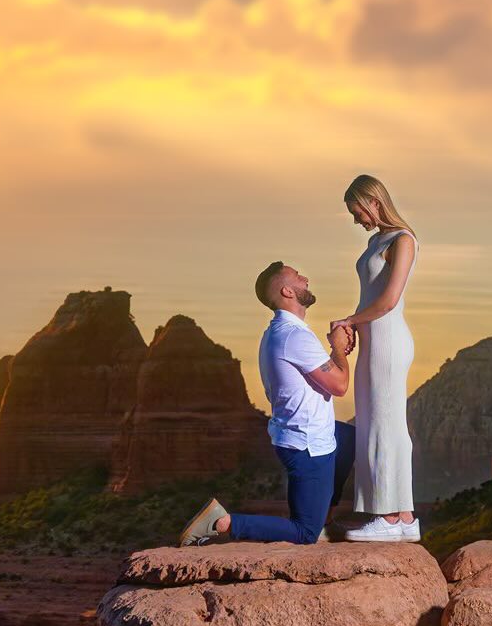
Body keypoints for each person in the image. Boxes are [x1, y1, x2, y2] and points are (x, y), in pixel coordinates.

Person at [179, 261, 355, 545]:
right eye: (299, 277)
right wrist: (337, 348)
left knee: (350, 438)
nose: (306, 278)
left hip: (305, 435)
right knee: (304, 533)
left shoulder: (282, 332)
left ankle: (324, 517)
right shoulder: (294, 336)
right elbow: (340, 385)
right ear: (287, 290)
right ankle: (222, 522)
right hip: (308, 445)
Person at [330, 174, 419, 542]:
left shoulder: (403, 240)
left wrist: (351, 320)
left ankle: (392, 515)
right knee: (371, 423)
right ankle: (401, 517)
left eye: (357, 212)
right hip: (372, 340)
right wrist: (354, 328)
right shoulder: (375, 241)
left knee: (386, 423)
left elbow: (388, 301)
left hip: (389, 341)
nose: (357, 220)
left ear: (374, 203)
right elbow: (370, 297)